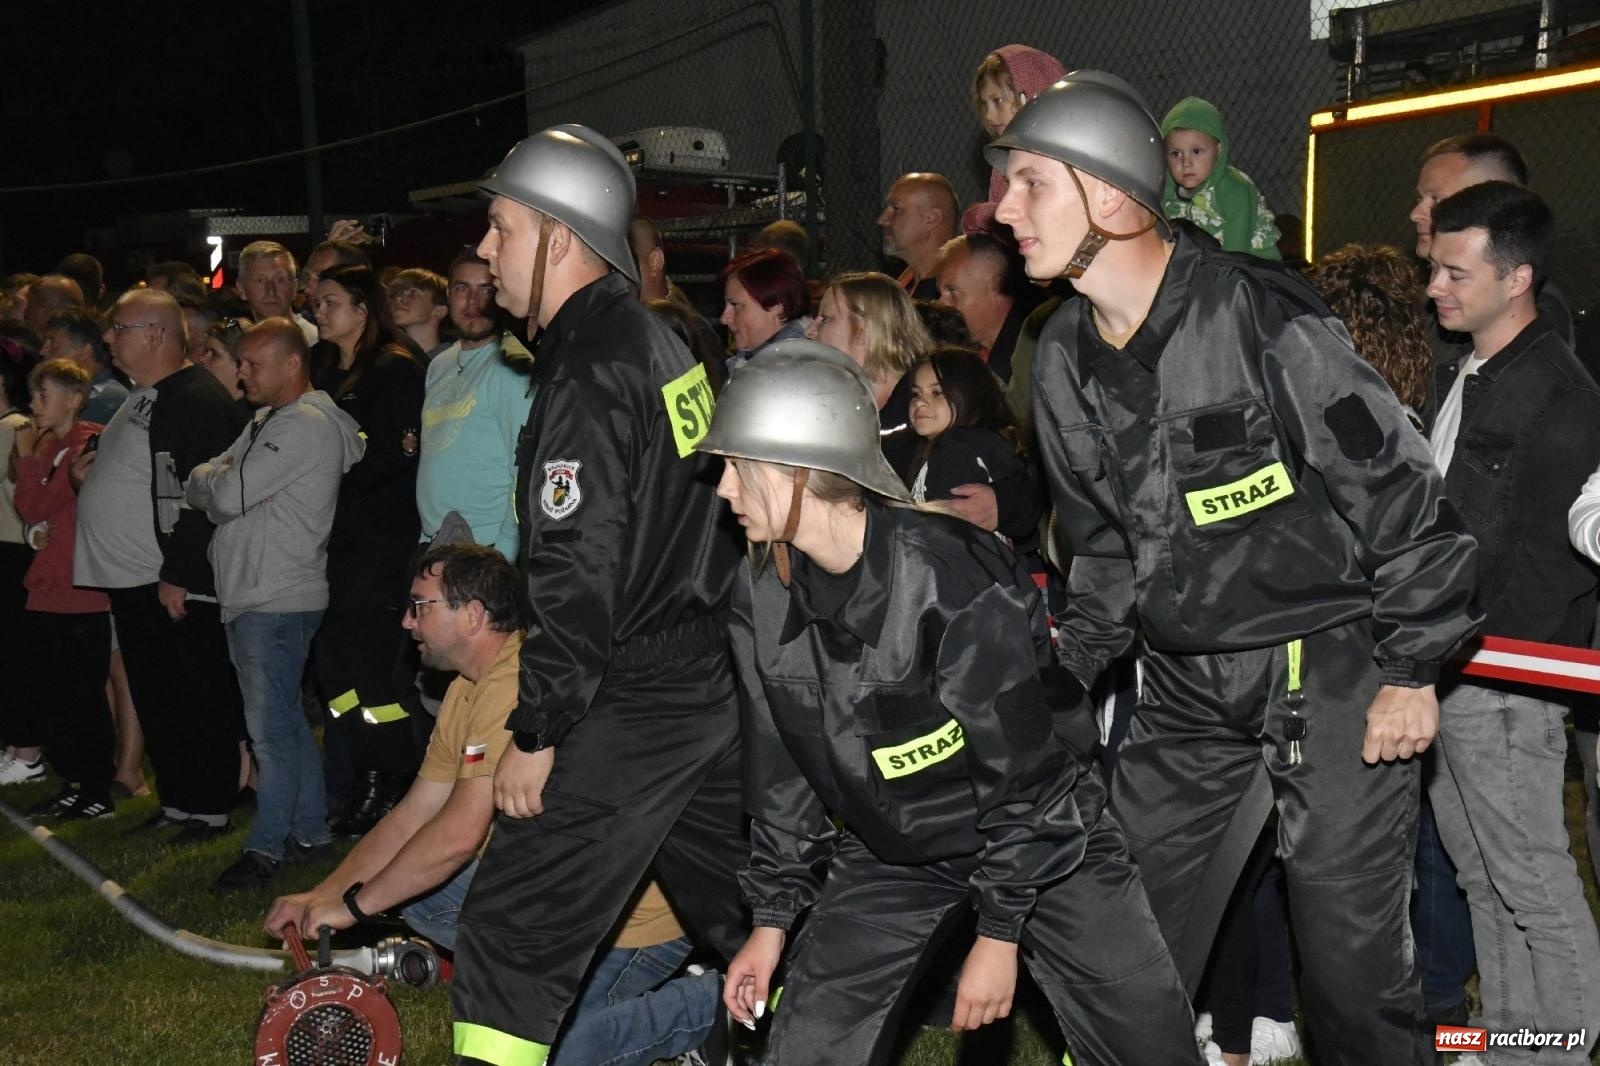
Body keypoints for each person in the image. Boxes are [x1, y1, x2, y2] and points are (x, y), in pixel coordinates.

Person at [990, 71, 1480, 1064]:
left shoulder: (1256, 316)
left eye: (1031, 183)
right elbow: (1104, 556)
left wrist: (1412, 666)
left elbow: (1400, 491)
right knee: (1118, 953)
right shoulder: (1061, 358)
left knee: (1350, 982)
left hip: (1329, 671)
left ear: (1114, 199)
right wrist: (1056, 677)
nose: (1003, 208)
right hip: (1181, 684)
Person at [700, 341, 1198, 1066]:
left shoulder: (949, 574)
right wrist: (771, 921)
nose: (721, 490)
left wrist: (999, 935)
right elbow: (781, 777)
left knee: (1150, 1047)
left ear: (800, 472)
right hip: (895, 851)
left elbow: (1030, 767)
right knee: (806, 1050)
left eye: (736, 468)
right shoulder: (759, 593)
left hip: (1046, 837)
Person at [451, 123, 748, 1066]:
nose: (486, 252)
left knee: (509, 929)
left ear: (559, 235)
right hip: (705, 671)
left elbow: (577, 564)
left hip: (631, 687)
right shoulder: (659, 342)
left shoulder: (586, 367)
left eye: (501, 229)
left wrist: (539, 733)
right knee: (749, 907)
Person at [264, 542, 725, 1066]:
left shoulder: (516, 681)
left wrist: (351, 908)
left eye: (422, 606)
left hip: (627, 922)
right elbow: (413, 816)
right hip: (548, 897)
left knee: (558, 1055)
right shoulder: (468, 687)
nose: (408, 623)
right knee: (410, 883)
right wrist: (322, 898)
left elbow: (459, 835)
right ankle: (498, 967)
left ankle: (713, 1008)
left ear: (474, 615)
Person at [1424, 180, 1600, 1059]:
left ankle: (1559, 1050)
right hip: (1457, 666)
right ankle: (1508, 1044)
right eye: (1434, 267)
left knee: (1530, 882)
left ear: (1518, 276)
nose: (1436, 287)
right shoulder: (1474, 368)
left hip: (1502, 677)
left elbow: (1560, 552)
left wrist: (1470, 652)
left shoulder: (1559, 396)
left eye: (1456, 271)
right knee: (1485, 880)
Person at [187, 318, 365, 887]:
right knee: (284, 726)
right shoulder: (271, 420)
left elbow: (226, 492)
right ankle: (311, 834)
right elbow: (211, 479)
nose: (241, 374)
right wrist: (214, 480)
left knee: (269, 733)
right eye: (239, 362)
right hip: (264, 593)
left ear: (292, 364)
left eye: (251, 364)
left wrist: (215, 481)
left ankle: (266, 850)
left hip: (275, 597)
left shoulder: (303, 425)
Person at [75, 288, 247, 838]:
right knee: (159, 696)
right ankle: (179, 801)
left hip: (169, 579)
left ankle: (211, 805)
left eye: (118, 328)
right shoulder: (145, 395)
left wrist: (181, 573)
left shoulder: (192, 396)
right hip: (137, 578)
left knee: (195, 693)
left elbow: (196, 495)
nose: (107, 338)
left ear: (155, 334)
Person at [309, 264, 426, 838]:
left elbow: (395, 457)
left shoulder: (393, 371)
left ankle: (393, 777)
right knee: (335, 667)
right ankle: (361, 767)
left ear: (362, 310)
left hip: (379, 545)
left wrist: (322, 477)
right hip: (333, 542)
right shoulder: (327, 369)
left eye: (330, 301)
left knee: (375, 671)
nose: (318, 310)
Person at [11, 359, 112, 819]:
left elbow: (35, 503)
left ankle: (96, 789)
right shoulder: (54, 447)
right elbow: (39, 517)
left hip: (79, 592)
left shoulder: (84, 445)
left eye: (42, 394)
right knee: (46, 692)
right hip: (49, 586)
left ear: (74, 398)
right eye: (32, 395)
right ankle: (74, 780)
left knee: (81, 696)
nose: (34, 404)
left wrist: (28, 459)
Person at [417, 252, 533, 564]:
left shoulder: (513, 367)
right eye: (462, 289)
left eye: (486, 290)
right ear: (448, 296)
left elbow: (525, 470)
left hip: (484, 549)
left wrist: (503, 556)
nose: (472, 302)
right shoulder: (439, 364)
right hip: (435, 543)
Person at [965, 44, 1067, 236]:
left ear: (1030, 93)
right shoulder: (1002, 162)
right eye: (984, 104)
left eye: (997, 101)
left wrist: (983, 216)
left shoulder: (1062, 157)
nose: (988, 115)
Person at [1160, 97, 1280, 258]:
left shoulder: (1236, 190)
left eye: (1196, 151)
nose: (1186, 162)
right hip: (1205, 263)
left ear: (1219, 150)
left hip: (1253, 268)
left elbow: (1236, 252)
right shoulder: (1166, 192)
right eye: (1175, 154)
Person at [933, 233, 1047, 384]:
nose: (941, 305)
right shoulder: (969, 356)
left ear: (996, 287)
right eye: (940, 294)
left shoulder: (1036, 358)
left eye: (953, 292)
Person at [719, 248, 809, 376]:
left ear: (776, 305)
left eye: (735, 305)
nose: (724, 318)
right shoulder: (757, 359)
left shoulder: (791, 373)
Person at [877, 173, 958, 299]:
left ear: (931, 218)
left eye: (896, 208)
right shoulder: (902, 283)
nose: (882, 220)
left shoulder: (952, 294)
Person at [40, 308, 128, 423]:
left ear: (84, 350)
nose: (42, 351)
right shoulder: (78, 392)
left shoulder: (105, 398)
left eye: (53, 345)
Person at [237, 241, 317, 347]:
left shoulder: (316, 343)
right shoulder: (238, 345)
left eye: (280, 280)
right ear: (241, 289)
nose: (270, 290)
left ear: (294, 287)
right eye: (260, 280)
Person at [388, 268, 451, 360]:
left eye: (413, 292)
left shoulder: (452, 362)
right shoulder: (391, 359)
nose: (398, 298)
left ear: (439, 311)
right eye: (396, 294)